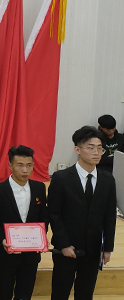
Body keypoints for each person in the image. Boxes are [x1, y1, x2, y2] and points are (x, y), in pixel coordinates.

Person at [49, 126, 117, 300]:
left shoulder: (108, 180)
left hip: (93, 249)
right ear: (77, 149)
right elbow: (54, 214)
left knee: (86, 293)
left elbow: (110, 216)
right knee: (60, 292)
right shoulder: (61, 178)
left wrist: (107, 248)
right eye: (91, 147)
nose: (96, 152)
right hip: (66, 249)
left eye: (100, 148)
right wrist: (64, 244)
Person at [0, 145, 49, 300]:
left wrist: (41, 237)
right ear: (10, 166)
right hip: (6, 253)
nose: (25, 170)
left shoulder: (39, 188)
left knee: (25, 294)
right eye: (20, 165)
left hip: (31, 254)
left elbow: (43, 216)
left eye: (29, 165)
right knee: (4, 293)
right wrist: (2, 239)